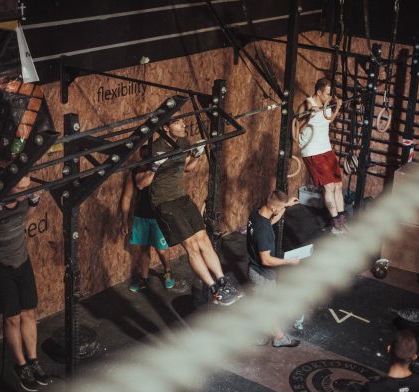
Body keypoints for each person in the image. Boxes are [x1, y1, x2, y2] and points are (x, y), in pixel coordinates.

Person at [135, 118, 241, 305]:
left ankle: (223, 282)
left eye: (183, 121)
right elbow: (140, 184)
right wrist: (153, 167)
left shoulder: (183, 142)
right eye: (178, 122)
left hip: (182, 198)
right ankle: (215, 290)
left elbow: (187, 169)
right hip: (164, 203)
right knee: (192, 245)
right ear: (166, 127)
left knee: (204, 240)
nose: (184, 125)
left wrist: (197, 155)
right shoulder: (153, 149)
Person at [0, 176, 51, 392]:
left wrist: (33, 203)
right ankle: (20, 366)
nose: (24, 192)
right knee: (12, 317)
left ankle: (33, 361)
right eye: (19, 187)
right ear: (7, 185)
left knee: (29, 312)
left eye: (27, 187)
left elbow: (24, 216)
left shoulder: (23, 198)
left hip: (20, 260)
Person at [246, 190, 301, 347]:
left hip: (255, 270)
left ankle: (265, 335)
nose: (282, 209)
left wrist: (285, 205)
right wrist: (289, 262)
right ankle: (279, 337)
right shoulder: (263, 232)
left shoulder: (256, 214)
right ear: (274, 208)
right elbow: (266, 260)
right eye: (281, 207)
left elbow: (269, 222)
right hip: (262, 274)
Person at [119, 146, 175, 292]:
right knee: (144, 250)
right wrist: (124, 220)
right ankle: (143, 279)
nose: (145, 158)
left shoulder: (161, 170)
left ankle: (168, 271)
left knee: (162, 249)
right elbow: (127, 197)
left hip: (159, 216)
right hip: (141, 216)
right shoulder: (135, 171)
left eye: (148, 155)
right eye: (143, 155)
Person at [296, 77, 346, 234]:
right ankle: (336, 225)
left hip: (326, 148)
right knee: (329, 186)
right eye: (327, 94)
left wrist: (337, 107)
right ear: (318, 92)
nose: (330, 97)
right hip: (312, 150)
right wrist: (309, 115)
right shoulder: (306, 105)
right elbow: (297, 128)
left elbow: (328, 119)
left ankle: (342, 221)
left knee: (338, 185)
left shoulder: (327, 104)